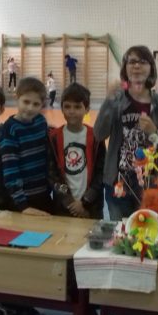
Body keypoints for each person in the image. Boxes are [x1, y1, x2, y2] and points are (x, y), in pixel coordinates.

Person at [94, 45, 158, 221]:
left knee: (149, 231)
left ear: (151, 68)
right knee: (120, 231)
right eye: (132, 62)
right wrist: (109, 101)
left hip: (149, 185)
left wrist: (154, 132)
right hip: (117, 184)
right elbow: (99, 134)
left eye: (143, 61)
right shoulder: (116, 99)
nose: (137, 66)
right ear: (125, 69)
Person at [48, 83, 105, 219]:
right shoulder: (53, 137)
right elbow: (52, 175)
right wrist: (68, 201)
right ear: (61, 108)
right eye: (67, 106)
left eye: (77, 107)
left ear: (87, 109)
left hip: (91, 207)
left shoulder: (96, 137)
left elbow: (101, 174)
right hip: (63, 206)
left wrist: (85, 201)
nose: (72, 111)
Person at [0, 77, 52, 215]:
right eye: (26, 102)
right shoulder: (10, 129)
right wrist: (22, 205)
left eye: (36, 104)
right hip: (22, 200)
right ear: (16, 98)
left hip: (43, 194)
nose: (30, 108)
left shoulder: (41, 121)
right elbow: (10, 169)